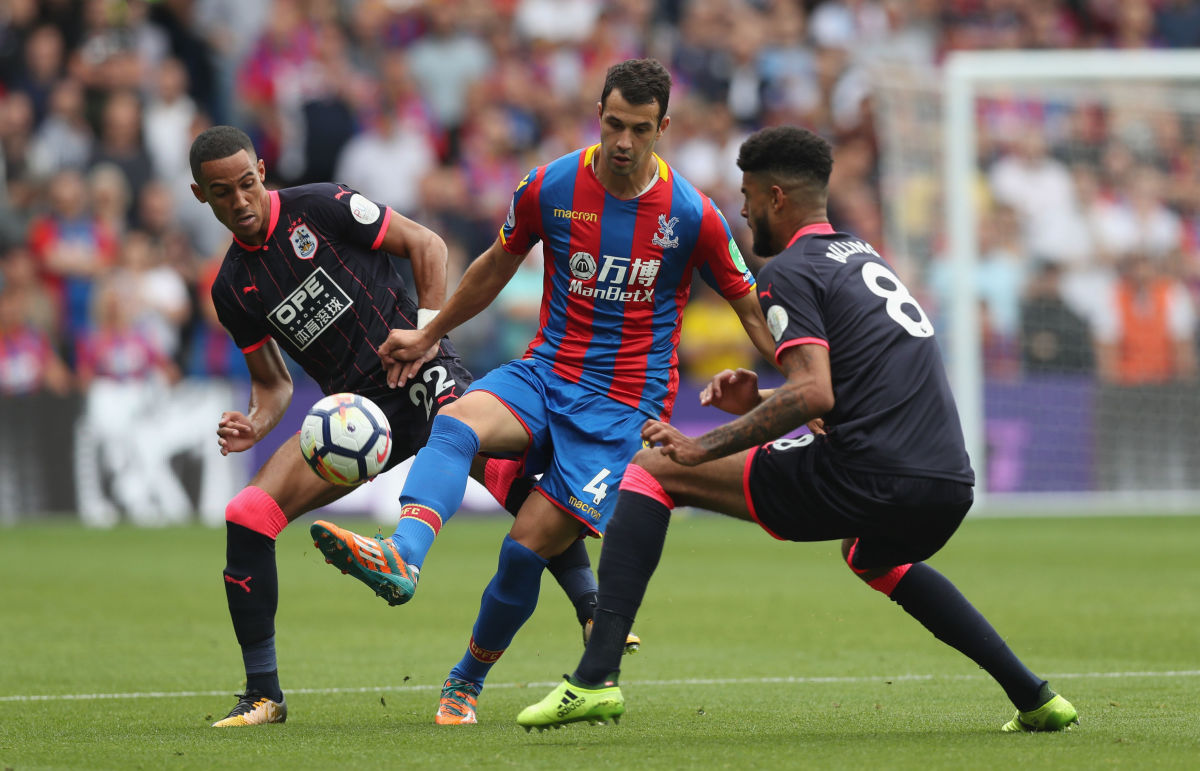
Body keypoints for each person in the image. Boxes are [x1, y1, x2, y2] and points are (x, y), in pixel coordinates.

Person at [517, 125, 1079, 734]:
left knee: (653, 470)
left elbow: (815, 391)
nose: (743, 210)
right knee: (869, 553)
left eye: (748, 195)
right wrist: (758, 397)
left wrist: (699, 446)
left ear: (776, 198)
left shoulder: (789, 270)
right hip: (946, 483)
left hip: (873, 474)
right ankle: (1036, 697)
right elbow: (845, 389)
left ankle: (595, 678)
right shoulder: (862, 257)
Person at [309, 58, 777, 725]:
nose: (623, 141)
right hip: (547, 370)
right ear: (599, 115)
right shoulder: (552, 185)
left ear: (663, 128)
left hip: (622, 409)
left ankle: (465, 680)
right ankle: (403, 557)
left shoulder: (692, 215)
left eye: (639, 129)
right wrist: (429, 330)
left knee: (524, 548)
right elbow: (495, 264)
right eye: (613, 123)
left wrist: (810, 388)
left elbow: (750, 307)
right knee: (456, 421)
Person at [188, 124, 607, 728]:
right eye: (222, 193)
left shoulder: (322, 206)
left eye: (248, 183)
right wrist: (256, 423)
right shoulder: (233, 286)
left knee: (507, 473)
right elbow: (274, 384)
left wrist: (428, 336)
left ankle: (596, 612)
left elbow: (428, 245)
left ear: (261, 169)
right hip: (356, 422)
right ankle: (263, 695)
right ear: (201, 195)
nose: (241, 201)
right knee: (247, 515)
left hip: (416, 367)